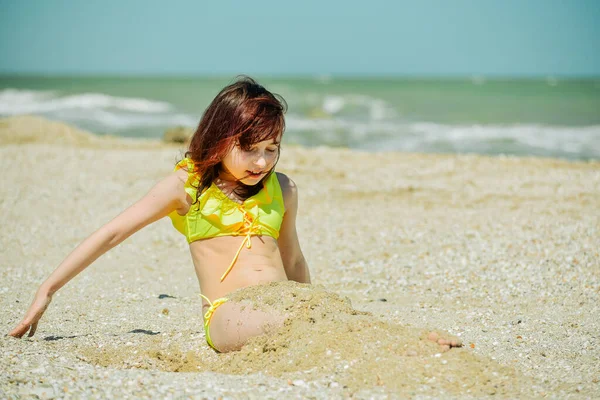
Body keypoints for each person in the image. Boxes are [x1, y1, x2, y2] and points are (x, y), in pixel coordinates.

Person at [9, 76, 310, 353]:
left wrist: (311, 303)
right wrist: (47, 289)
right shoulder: (185, 188)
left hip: (282, 300)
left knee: (319, 320)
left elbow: (293, 259)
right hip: (228, 312)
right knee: (284, 325)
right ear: (219, 138)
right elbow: (112, 233)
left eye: (272, 148)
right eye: (249, 148)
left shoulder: (283, 188)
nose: (262, 161)